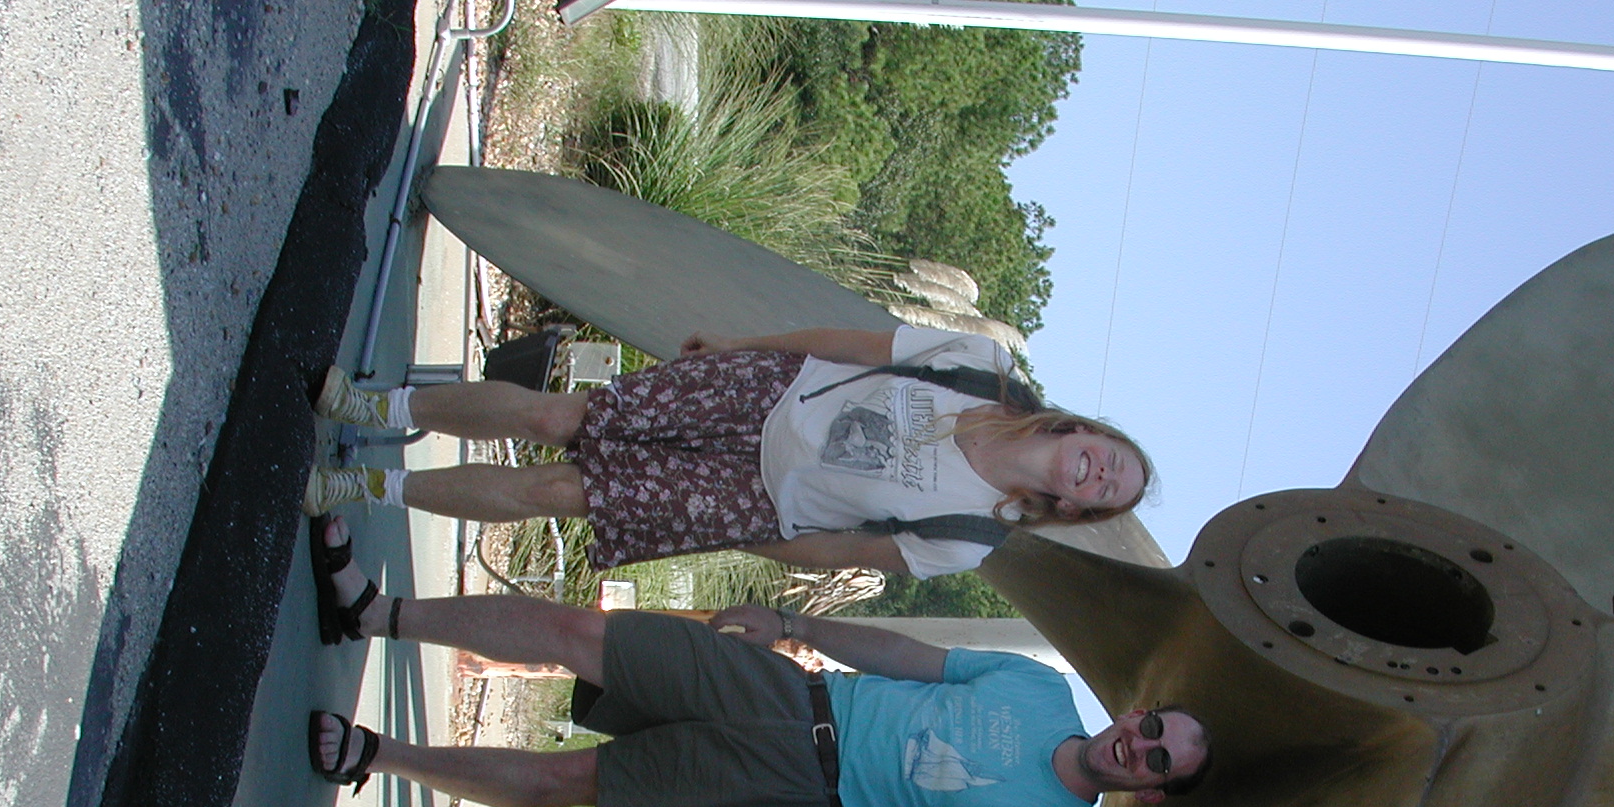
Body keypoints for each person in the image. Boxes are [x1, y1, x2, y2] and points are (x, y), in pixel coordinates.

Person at [305, 524, 1212, 807]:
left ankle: (374, 757)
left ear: (1152, 792)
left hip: (794, 800)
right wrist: (792, 625)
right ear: (1135, 713)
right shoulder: (1039, 690)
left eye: (1160, 761)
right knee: (582, 633)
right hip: (789, 692)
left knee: (571, 782)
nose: (1140, 747)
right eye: (1152, 728)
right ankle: (372, 611)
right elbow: (906, 656)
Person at [303, 324, 1153, 582]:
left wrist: (740, 534)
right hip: (761, 390)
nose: (1101, 471)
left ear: (1078, 508)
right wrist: (743, 346)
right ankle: (377, 405)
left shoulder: (969, 539)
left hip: (753, 499)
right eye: (1112, 455)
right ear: (1088, 431)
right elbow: (853, 343)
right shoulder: (983, 366)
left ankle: (366, 485)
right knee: (557, 416)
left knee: (556, 494)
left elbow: (842, 552)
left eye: (1108, 490)